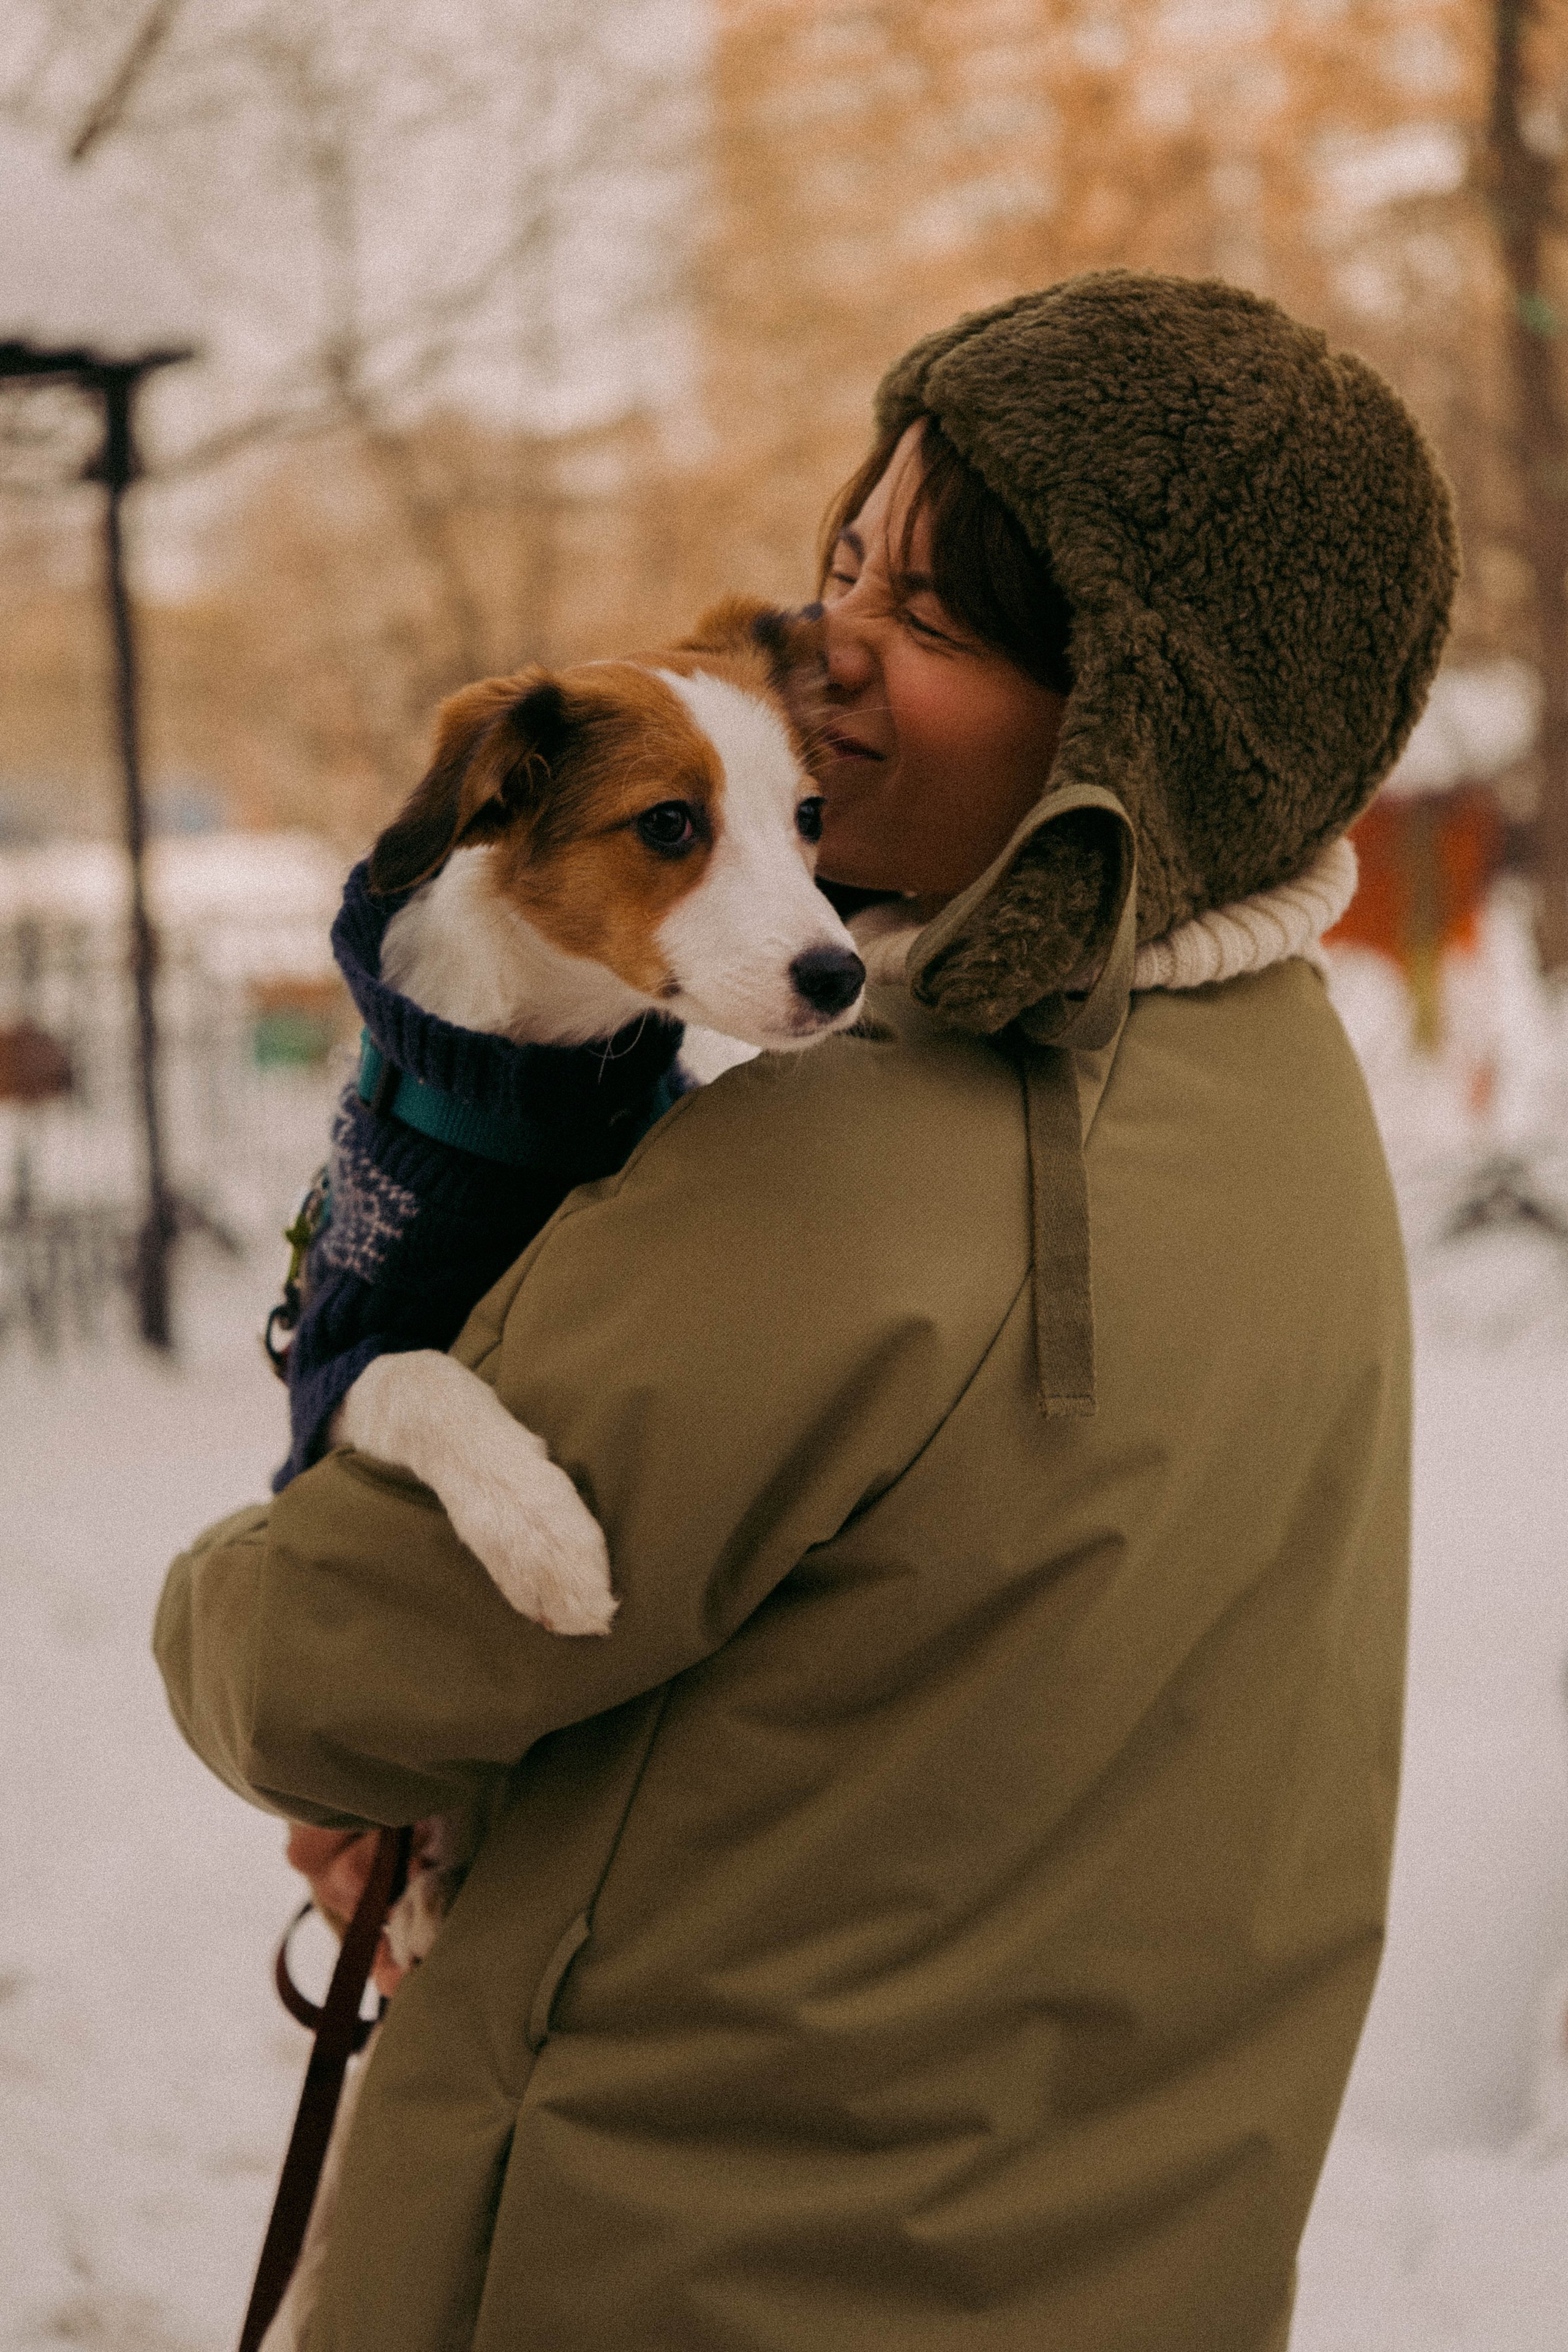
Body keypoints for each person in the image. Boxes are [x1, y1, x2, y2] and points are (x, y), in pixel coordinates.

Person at [156, 273, 1456, 2351]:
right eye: (848, 552)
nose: (826, 645)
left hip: (659, 2268)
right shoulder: (1286, 1107)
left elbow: (326, 1665)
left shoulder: (844, 1171)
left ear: (1130, 718)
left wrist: (227, 1587)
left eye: (931, 620)